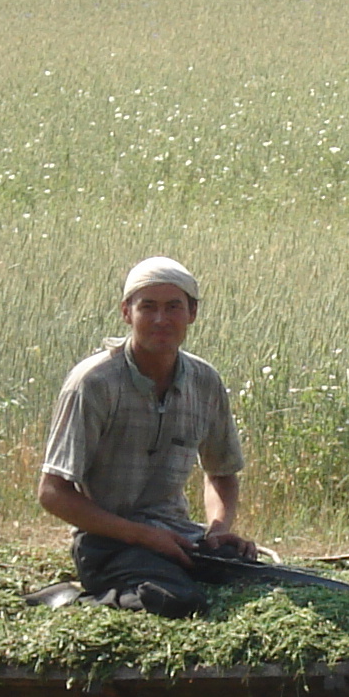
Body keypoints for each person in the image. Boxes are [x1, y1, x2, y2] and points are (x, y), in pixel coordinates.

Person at [36, 256, 256, 617]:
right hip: (109, 544)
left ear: (192, 314)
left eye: (173, 307)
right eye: (147, 307)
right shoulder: (93, 383)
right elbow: (52, 493)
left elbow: (221, 472)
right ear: (127, 312)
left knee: (261, 582)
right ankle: (71, 600)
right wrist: (142, 536)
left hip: (180, 537)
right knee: (176, 602)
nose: (160, 319)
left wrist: (217, 531)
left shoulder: (204, 381)